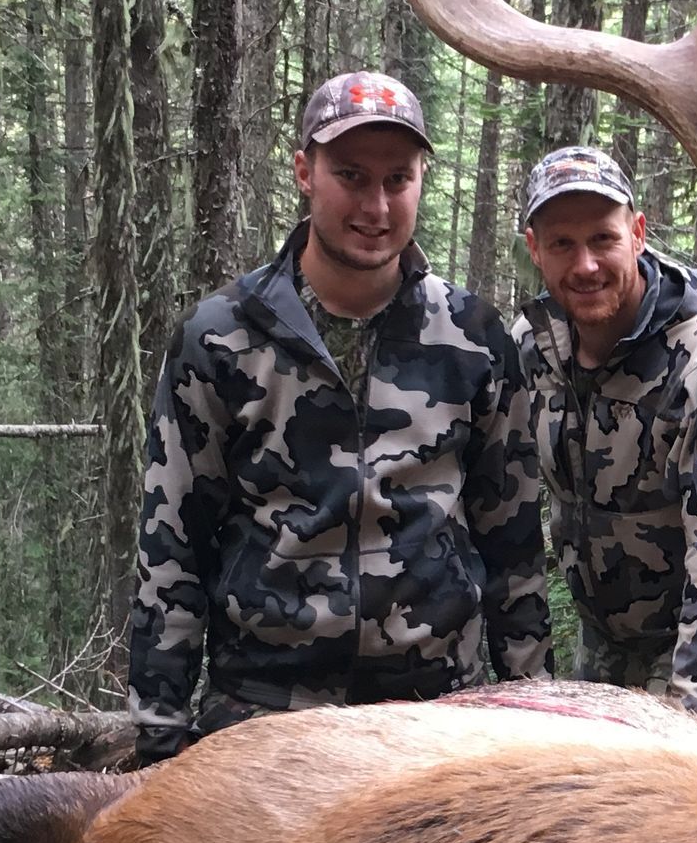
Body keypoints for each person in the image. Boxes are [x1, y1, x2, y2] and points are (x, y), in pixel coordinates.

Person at [129, 71, 549, 763]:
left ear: (420, 180)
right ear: (305, 172)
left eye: (397, 179)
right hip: (265, 713)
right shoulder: (222, 337)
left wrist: (534, 720)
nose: (376, 205)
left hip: (437, 717)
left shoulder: (471, 336)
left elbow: (514, 547)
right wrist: (159, 741)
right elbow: (173, 545)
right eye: (351, 176)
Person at [515, 145, 697, 748]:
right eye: (562, 244)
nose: (586, 264)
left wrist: (687, 724)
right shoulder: (535, 348)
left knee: (690, 798)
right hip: (607, 638)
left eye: (603, 239)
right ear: (535, 249)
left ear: (637, 234)